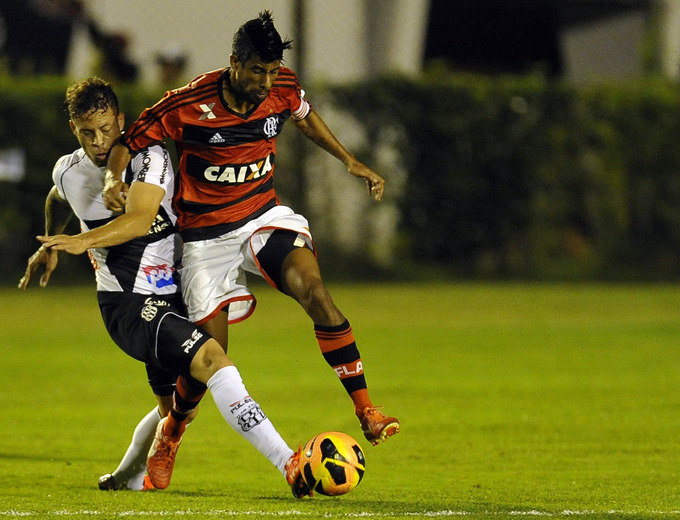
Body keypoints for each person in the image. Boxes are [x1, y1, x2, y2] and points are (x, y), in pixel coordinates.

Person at [102, 10, 399, 453]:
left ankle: (366, 410)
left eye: (272, 71)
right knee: (209, 360)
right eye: (257, 70)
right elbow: (128, 141)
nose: (265, 81)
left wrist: (349, 160)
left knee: (315, 291)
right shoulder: (188, 103)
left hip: (263, 216)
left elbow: (304, 113)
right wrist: (113, 179)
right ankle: (172, 434)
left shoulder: (281, 88)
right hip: (205, 238)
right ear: (234, 62)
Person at [19, 77, 313, 498]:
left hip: (173, 296)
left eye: (106, 129)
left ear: (121, 121)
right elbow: (58, 196)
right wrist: (48, 243)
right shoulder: (68, 170)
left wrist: (80, 241)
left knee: (174, 410)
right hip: (127, 304)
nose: (99, 142)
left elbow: (139, 220)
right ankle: (290, 462)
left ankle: (124, 478)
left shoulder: (150, 157)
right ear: (74, 130)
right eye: (87, 133)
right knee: (214, 361)